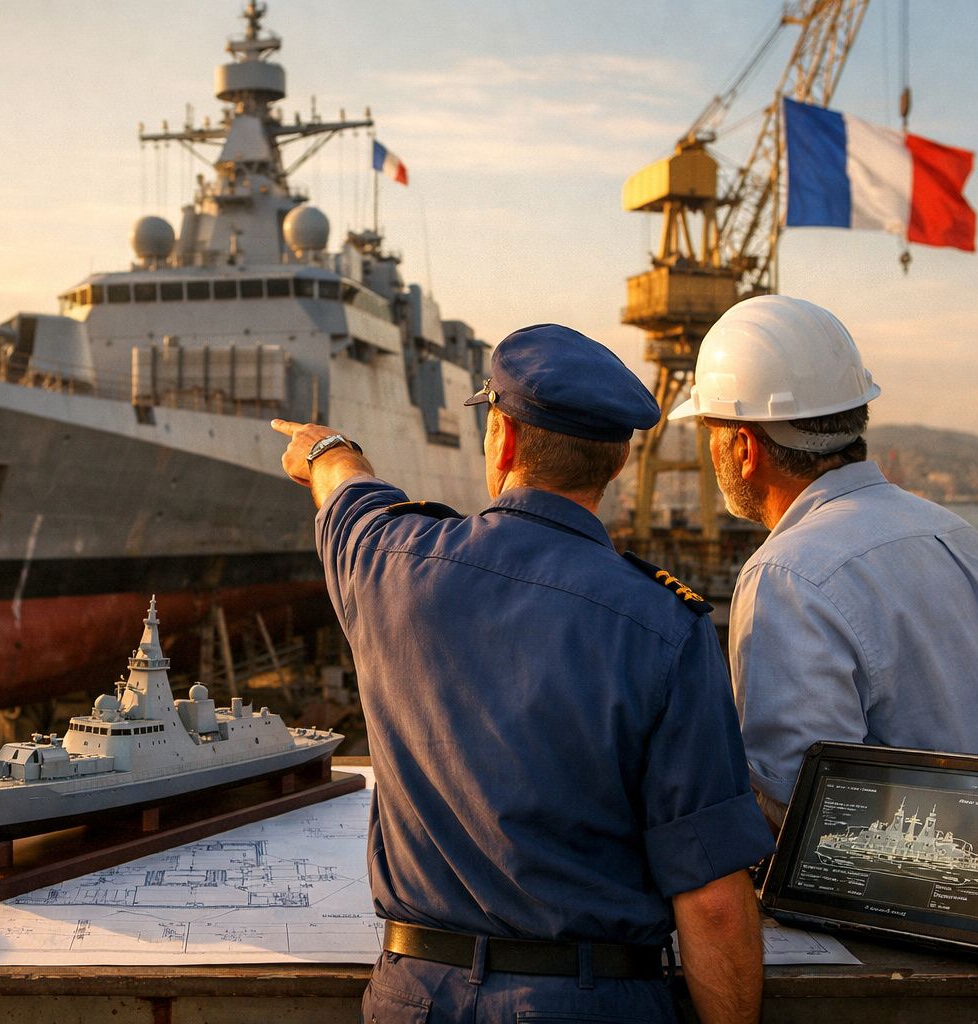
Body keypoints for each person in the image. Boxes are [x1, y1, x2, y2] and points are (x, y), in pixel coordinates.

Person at [272, 323, 773, 1024]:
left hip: (416, 1000)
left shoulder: (390, 563)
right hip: (594, 1002)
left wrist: (327, 449)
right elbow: (715, 902)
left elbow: (347, 491)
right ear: (620, 460)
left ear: (501, 438)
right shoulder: (667, 626)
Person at [668, 294, 978, 835]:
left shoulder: (788, 572)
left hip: (958, 899)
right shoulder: (955, 533)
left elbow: (800, 812)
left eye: (710, 433)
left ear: (745, 448)